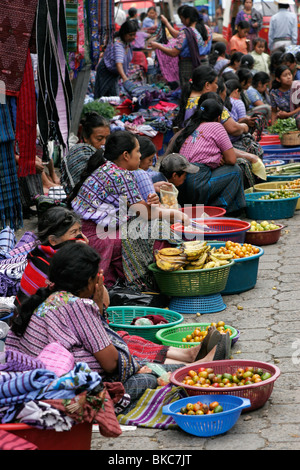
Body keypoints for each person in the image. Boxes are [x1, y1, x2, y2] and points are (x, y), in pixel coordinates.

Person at [6, 243, 231, 404]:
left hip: (43, 389)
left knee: (133, 358)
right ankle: (196, 369)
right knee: (143, 378)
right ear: (88, 282)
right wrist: (96, 303)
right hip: (74, 396)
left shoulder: (51, 296)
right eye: (97, 279)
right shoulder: (75, 305)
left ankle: (194, 362)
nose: (99, 282)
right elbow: (111, 364)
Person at [68, 130, 190, 290]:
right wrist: (177, 214)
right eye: (137, 151)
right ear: (126, 155)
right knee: (159, 233)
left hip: (89, 229)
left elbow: (136, 205)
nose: (140, 155)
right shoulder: (121, 175)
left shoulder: (107, 168)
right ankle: (152, 284)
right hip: (98, 235)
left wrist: (151, 201)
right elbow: (147, 214)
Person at [165, 99, 246, 214]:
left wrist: (215, 159)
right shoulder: (216, 126)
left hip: (182, 183)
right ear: (218, 118)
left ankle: (205, 210)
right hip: (197, 182)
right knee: (235, 170)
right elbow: (231, 159)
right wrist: (218, 158)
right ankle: (217, 210)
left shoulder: (191, 127)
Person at [13, 206, 91, 310]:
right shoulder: (44, 264)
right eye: (74, 232)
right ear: (53, 240)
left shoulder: (44, 255)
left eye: (80, 230)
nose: (80, 236)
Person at [149, 6, 210, 87]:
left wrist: (158, 45)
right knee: (198, 87)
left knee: (188, 89)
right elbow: (179, 36)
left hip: (188, 66)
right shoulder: (197, 30)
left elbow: (174, 52)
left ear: (187, 19)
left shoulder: (186, 32)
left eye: (182, 18)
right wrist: (167, 23)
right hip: (200, 63)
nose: (181, 21)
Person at [60, 112, 110, 195]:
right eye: (99, 139)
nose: (104, 142)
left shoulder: (109, 156)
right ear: (86, 137)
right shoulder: (80, 153)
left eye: (107, 138)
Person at [94, 20, 138, 98]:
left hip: (113, 72)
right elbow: (119, 63)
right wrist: (124, 78)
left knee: (113, 96)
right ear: (124, 33)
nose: (133, 37)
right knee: (104, 95)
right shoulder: (118, 45)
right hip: (106, 72)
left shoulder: (126, 42)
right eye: (130, 35)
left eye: (134, 35)